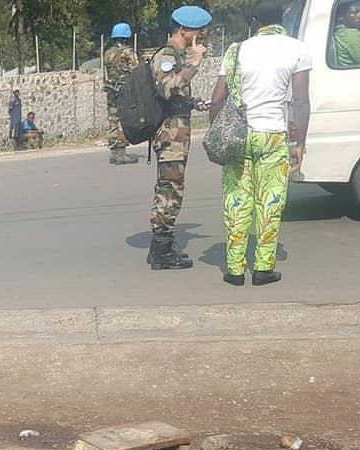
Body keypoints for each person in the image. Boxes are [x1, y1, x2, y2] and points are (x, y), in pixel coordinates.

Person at [210, 1, 311, 286]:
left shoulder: (236, 50)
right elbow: (301, 102)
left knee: (237, 200)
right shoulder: (297, 49)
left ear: (255, 21)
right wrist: (299, 143)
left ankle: (234, 270)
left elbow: (217, 99)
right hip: (274, 136)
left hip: (240, 136)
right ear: (282, 19)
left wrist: (220, 132)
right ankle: (264, 268)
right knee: (270, 201)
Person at [145, 6, 212, 270]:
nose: (202, 35)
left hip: (176, 132)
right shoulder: (167, 55)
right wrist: (194, 65)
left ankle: (165, 243)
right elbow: (165, 88)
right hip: (170, 136)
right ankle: (160, 251)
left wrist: (193, 103)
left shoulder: (175, 55)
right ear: (183, 30)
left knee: (172, 188)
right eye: (199, 30)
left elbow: (174, 94)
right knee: (169, 190)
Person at [104, 22, 141, 165]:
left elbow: (106, 73)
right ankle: (121, 153)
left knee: (113, 120)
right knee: (124, 119)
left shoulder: (108, 53)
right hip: (125, 91)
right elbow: (136, 70)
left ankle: (114, 152)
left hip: (111, 90)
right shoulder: (128, 52)